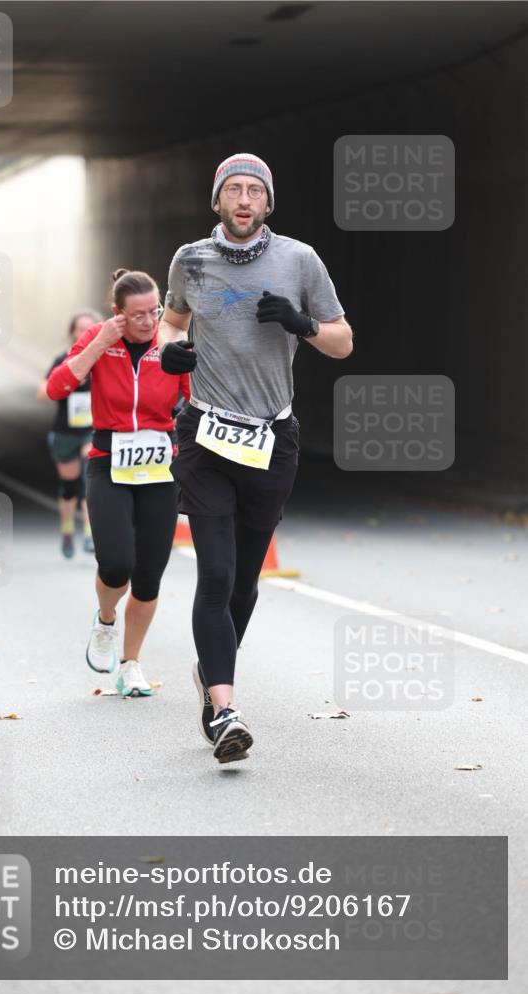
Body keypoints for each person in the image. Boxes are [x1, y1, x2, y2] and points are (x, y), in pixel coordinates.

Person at [158, 152, 353, 763]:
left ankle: (210, 672)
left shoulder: (299, 259)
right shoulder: (191, 260)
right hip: (206, 434)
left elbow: (343, 342)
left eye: (254, 191)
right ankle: (225, 708)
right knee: (215, 573)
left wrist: (301, 323)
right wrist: (170, 352)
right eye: (234, 190)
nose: (244, 200)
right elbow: (171, 322)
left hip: (272, 437)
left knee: (244, 582)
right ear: (217, 199)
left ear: (268, 202)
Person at [47, 269, 190, 698]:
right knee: (115, 565)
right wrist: (98, 344)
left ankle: (131, 665)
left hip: (159, 468)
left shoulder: (170, 342)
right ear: (117, 313)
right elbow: (57, 388)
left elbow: (198, 397)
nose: (148, 322)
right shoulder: (99, 338)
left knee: (148, 577)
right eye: (137, 315)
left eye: (154, 312)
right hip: (109, 463)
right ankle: (106, 620)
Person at [38, 310, 102, 558]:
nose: (84, 333)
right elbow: (43, 392)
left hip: (92, 429)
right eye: (80, 329)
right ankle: (67, 530)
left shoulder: (104, 359)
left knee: (89, 480)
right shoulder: (62, 360)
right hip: (65, 431)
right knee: (69, 487)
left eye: (90, 328)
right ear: (72, 333)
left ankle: (89, 534)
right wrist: (68, 381)